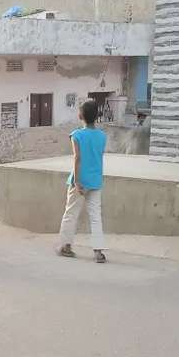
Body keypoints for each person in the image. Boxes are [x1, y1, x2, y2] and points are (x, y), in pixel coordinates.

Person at [57, 99, 107, 263]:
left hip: (79, 181)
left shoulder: (76, 135)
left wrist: (77, 181)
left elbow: (77, 158)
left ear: (81, 115)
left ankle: (66, 246)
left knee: (71, 213)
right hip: (96, 180)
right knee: (95, 216)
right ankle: (98, 252)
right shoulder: (102, 136)